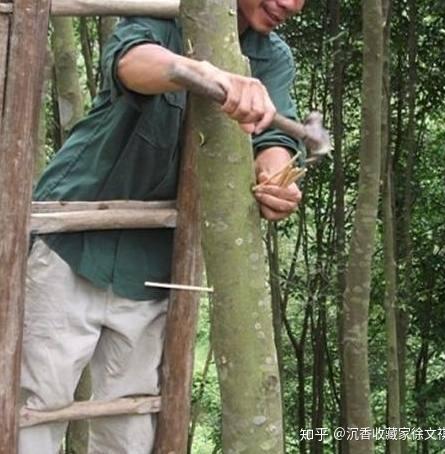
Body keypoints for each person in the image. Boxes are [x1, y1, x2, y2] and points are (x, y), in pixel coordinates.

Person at [19, 0, 305, 452]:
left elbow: (275, 138)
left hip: (155, 266)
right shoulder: (169, 14)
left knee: (130, 425)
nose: (290, 3)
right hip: (71, 241)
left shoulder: (272, 57)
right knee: (34, 408)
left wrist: (275, 177)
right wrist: (206, 74)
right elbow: (132, 63)